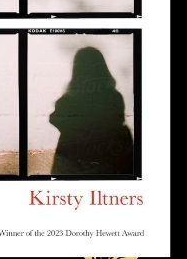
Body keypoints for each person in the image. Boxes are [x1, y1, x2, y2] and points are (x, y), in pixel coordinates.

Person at [49, 47, 133, 176]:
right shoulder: (114, 96)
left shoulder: (71, 99)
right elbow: (118, 121)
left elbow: (56, 119)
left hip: (75, 160)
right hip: (108, 159)